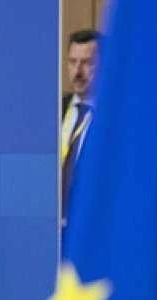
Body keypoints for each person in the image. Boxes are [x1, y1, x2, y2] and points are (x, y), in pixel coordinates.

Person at [60, 29, 101, 240]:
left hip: (92, 233)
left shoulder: (111, 117)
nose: (78, 71)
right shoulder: (54, 111)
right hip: (53, 234)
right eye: (73, 62)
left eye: (87, 63)